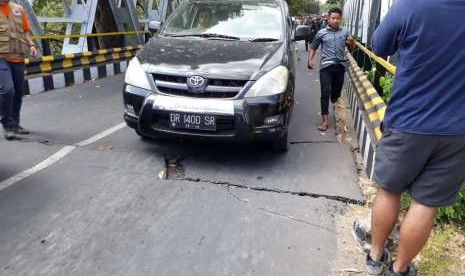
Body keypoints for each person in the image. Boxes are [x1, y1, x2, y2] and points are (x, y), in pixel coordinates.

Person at [363, 0, 465, 275]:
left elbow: (379, 45)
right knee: (426, 203)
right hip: (458, 131)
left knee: (389, 190)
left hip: (408, 122)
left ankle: (375, 258)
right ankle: (399, 269)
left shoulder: (410, 5)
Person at [307, 8, 353, 131]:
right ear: (328, 18)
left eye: (338, 18)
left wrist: (351, 43)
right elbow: (313, 47)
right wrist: (310, 60)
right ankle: (325, 121)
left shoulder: (345, 32)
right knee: (325, 92)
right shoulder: (321, 33)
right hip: (326, 67)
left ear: (341, 19)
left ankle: (335, 97)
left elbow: (351, 48)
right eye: (333, 18)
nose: (336, 20)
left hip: (340, 67)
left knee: (336, 93)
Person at [0, 0, 37, 140]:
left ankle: (15, 124)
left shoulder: (18, 9)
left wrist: (32, 45)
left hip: (18, 57)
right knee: (7, 90)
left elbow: (25, 31)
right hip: (1, 58)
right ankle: (7, 124)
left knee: (18, 92)